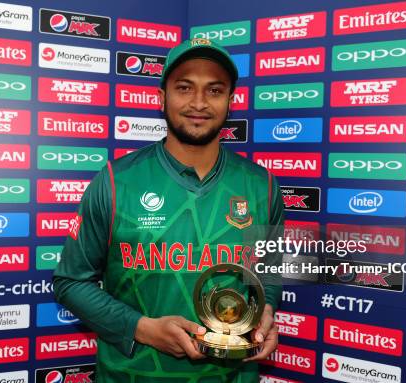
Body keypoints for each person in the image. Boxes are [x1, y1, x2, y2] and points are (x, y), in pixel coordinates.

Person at [54, 38, 284, 382]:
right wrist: (141, 328)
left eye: (215, 90)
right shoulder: (117, 181)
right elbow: (70, 283)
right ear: (162, 97)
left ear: (231, 102)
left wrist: (265, 311)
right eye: (184, 88)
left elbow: (268, 275)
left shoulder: (262, 185)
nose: (199, 103)